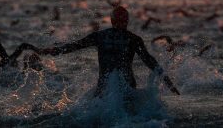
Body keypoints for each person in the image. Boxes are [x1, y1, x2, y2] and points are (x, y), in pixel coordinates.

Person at [41, 6, 180, 96]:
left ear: (112, 21)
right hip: (128, 89)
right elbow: (151, 62)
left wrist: (53, 50)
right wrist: (169, 84)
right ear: (127, 21)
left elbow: (74, 46)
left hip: (104, 88)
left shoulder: (100, 36)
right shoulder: (133, 39)